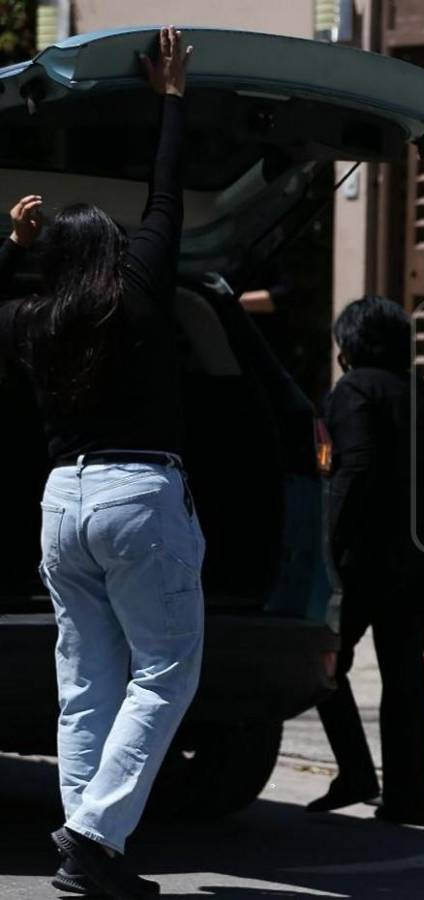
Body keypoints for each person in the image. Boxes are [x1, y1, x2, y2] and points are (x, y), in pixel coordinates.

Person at [0, 27, 195, 900]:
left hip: (61, 502)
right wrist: (172, 101)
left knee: (85, 682)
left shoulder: (33, 321)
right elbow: (166, 200)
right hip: (136, 497)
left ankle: (92, 850)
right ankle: (91, 833)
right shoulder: (141, 292)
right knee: (165, 670)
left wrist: (15, 247)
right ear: (113, 257)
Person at [308, 295, 424, 824]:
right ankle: (408, 796)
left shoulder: (352, 391)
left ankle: (355, 770)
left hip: (364, 555)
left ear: (351, 343)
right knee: (403, 676)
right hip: (421, 553)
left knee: (324, 664)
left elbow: (356, 471)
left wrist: (326, 543)